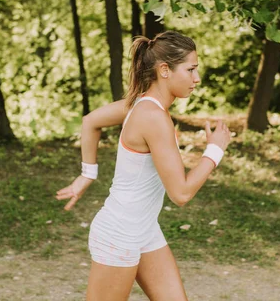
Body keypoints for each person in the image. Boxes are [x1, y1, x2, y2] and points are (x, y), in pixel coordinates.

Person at [55, 31, 231, 301]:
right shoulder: (153, 116)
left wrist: (87, 174)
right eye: (191, 69)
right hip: (119, 233)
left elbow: (91, 121)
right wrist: (215, 150)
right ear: (164, 70)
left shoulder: (143, 105)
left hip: (144, 230)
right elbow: (181, 194)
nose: (197, 79)